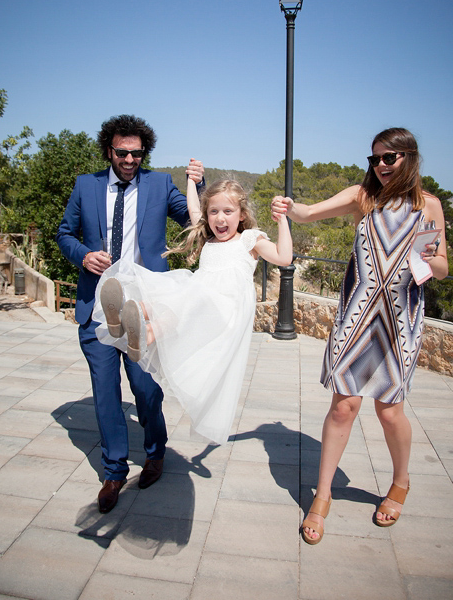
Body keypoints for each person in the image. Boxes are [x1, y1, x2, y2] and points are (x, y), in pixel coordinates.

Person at [270, 127, 448, 545]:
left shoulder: (429, 207)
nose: (381, 166)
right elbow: (310, 213)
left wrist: (429, 257)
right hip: (357, 317)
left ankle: (400, 482)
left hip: (400, 320)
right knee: (342, 408)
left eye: (389, 158)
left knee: (389, 412)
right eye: (375, 159)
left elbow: (440, 269)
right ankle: (323, 496)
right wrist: (289, 206)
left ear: (409, 157)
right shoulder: (363, 197)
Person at [56, 113, 204, 514]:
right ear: (109, 150)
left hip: (144, 308)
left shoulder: (159, 184)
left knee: (145, 390)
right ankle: (114, 471)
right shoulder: (86, 186)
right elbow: (64, 234)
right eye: (122, 152)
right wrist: (83, 255)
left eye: (137, 154)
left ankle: (156, 452)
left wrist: (197, 184)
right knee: (106, 395)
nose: (130, 159)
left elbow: (194, 219)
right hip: (98, 307)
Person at [91, 178, 292, 445]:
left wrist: (282, 220)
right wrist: (191, 181)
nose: (220, 219)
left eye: (228, 212)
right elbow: (194, 209)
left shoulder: (249, 239)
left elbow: (283, 257)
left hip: (225, 308)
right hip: (202, 299)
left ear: (242, 214)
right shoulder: (209, 239)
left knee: (185, 295)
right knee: (176, 292)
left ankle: (143, 327)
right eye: (214, 212)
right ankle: (130, 321)